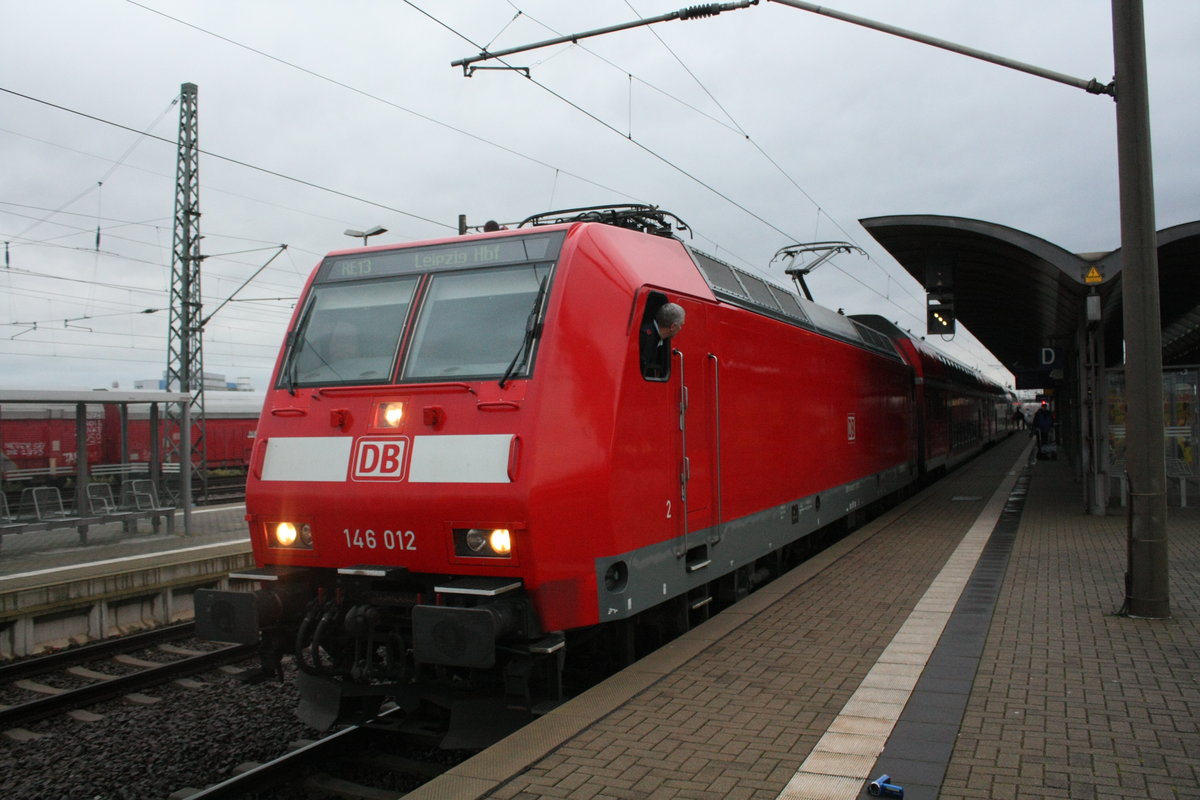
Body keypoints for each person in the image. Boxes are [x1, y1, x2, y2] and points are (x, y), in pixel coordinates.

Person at [639, 302, 685, 379]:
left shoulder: (659, 338)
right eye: (681, 325)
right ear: (673, 326)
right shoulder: (643, 336)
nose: (680, 328)